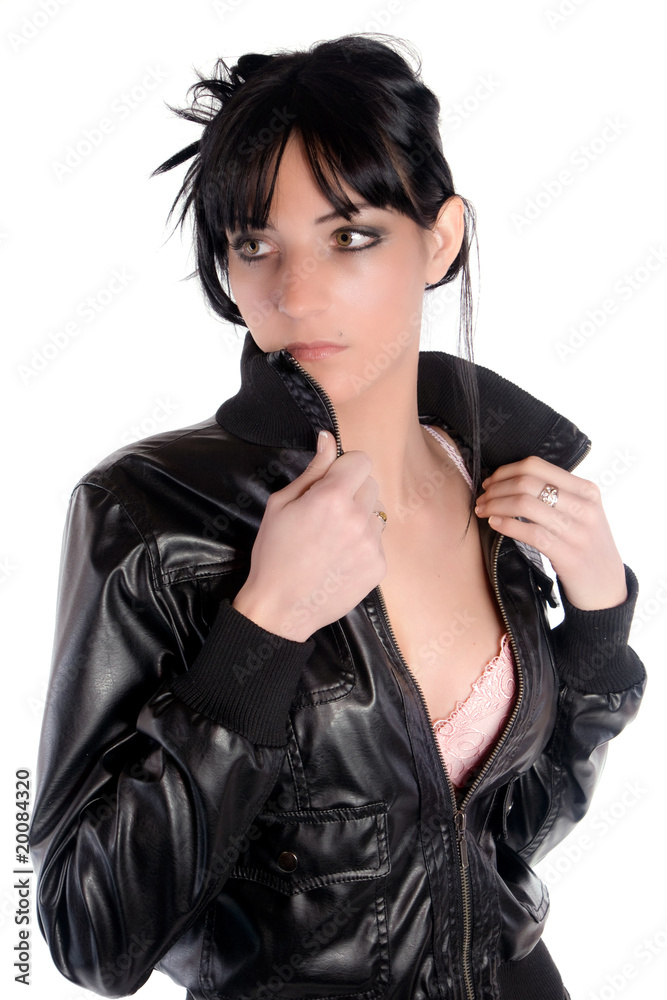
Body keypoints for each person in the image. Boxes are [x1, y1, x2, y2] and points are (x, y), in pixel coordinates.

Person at [30, 33, 646, 1000]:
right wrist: (263, 630)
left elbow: (503, 839)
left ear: (439, 239)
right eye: (254, 245)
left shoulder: (502, 487)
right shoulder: (149, 513)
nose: (295, 291)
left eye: (349, 235)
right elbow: (87, 933)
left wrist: (599, 627)